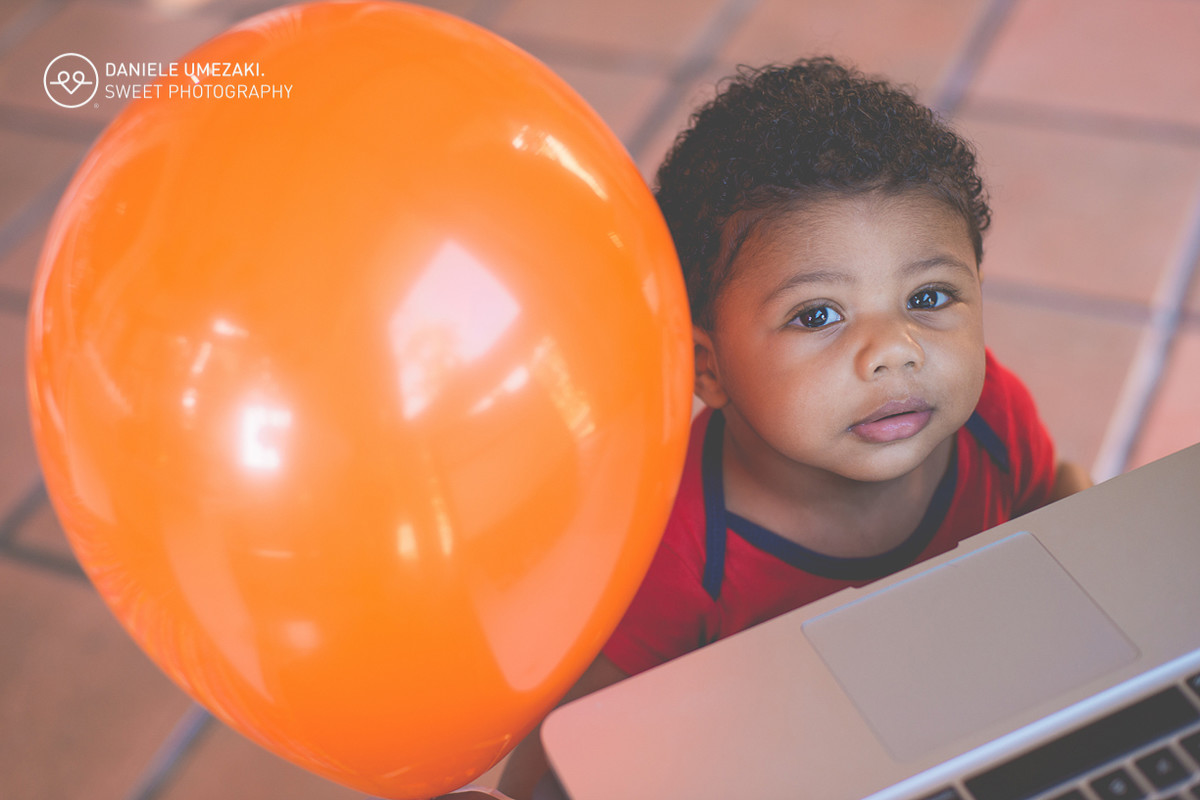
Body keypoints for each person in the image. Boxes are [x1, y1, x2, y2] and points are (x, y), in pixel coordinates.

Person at [441, 55, 1092, 800]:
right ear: (707, 368)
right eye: (818, 314)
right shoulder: (676, 545)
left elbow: (1060, 510)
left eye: (930, 295)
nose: (895, 350)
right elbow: (568, 757)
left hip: (977, 736)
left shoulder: (990, 418)